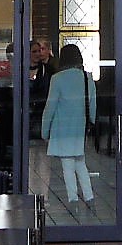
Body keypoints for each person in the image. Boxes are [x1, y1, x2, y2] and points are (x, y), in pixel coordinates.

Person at [38, 43, 98, 212]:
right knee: (80, 162)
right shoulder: (88, 78)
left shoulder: (57, 79)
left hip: (62, 128)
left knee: (67, 165)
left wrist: (45, 130)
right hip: (80, 127)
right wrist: (91, 123)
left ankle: (73, 200)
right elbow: (92, 105)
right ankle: (89, 196)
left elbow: (50, 107)